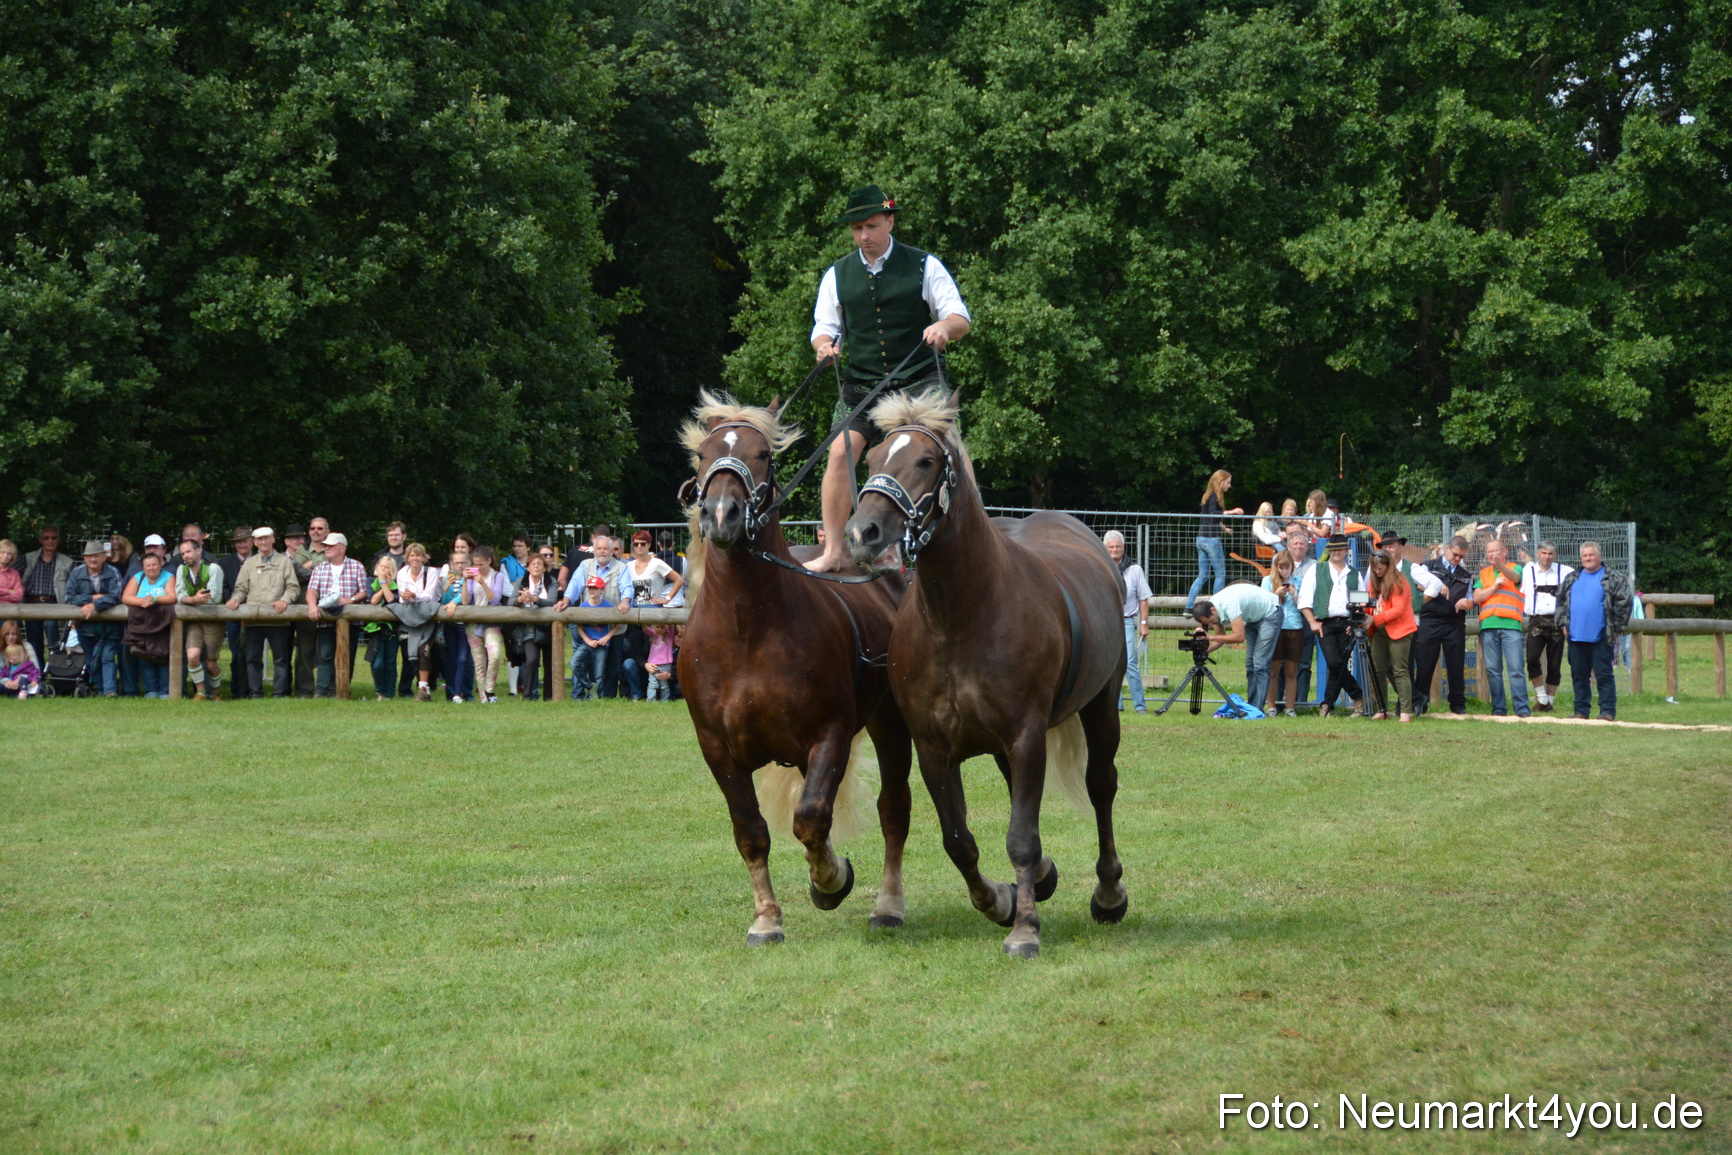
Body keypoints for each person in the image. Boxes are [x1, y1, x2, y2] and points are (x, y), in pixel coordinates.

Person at [805, 184, 972, 572]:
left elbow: (959, 317)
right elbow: (822, 327)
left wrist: (945, 328)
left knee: (954, 450)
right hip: (863, 382)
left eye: (872, 226)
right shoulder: (837, 275)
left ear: (890, 222)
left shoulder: (924, 265)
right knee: (839, 451)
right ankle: (833, 551)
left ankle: (968, 540)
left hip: (918, 378)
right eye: (857, 228)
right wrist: (824, 345)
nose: (864, 236)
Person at [1556, 541, 1632, 721]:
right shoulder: (1572, 578)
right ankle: (1581, 712)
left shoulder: (1613, 578)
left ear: (1600, 556)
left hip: (1601, 636)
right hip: (1575, 636)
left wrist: (1616, 628)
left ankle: (1607, 712)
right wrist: (1563, 626)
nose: (1588, 558)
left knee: (1604, 675)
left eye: (1591, 555)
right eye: (1585, 556)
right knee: (1579, 676)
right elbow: (1560, 602)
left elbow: (1624, 602)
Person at [226, 526, 299, 699]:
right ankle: (255, 692)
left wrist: (284, 600)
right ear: (255, 542)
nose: (263, 542)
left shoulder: (284, 561)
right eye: (259, 539)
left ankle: (279, 693)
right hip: (253, 619)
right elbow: (241, 588)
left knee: (281, 659)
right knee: (252, 659)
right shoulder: (249, 563)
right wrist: (235, 598)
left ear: (273, 539)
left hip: (278, 618)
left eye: (266, 538)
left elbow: (293, 587)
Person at [556, 534, 631, 698]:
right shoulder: (585, 565)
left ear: (612, 551)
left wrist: (625, 601)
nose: (602, 551)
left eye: (605, 548)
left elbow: (627, 588)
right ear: (594, 550)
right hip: (590, 628)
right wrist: (566, 601)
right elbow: (574, 585)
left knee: (612, 664)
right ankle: (589, 694)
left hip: (614, 627)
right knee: (587, 663)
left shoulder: (621, 567)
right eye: (599, 548)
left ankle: (608, 697)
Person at [1299, 533, 1364, 718]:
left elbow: (1360, 601)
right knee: (1335, 662)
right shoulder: (1316, 569)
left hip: (1346, 624)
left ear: (1346, 550)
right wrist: (1312, 621)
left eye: (1340, 549)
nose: (1336, 552)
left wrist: (1355, 621)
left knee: (1339, 665)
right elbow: (1304, 598)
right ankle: (1358, 695)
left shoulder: (1354, 574)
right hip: (1324, 623)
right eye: (1333, 549)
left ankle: (1327, 705)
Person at [1190, 582, 1281, 711]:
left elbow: (1239, 637)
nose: (1212, 624)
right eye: (1208, 624)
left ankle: (1256, 710)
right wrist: (1203, 650)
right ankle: (1252, 706)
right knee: (1250, 664)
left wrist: (1210, 637)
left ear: (1213, 610)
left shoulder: (1229, 604)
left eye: (1211, 621)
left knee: (1260, 663)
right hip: (1253, 618)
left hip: (1270, 612)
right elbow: (1221, 638)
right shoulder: (1212, 608)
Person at [1411, 535, 1473, 717]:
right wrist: (1435, 585)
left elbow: (1470, 598)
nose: (1458, 559)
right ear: (1447, 548)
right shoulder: (1428, 567)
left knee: (1455, 665)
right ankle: (1420, 703)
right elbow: (1416, 585)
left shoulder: (1465, 575)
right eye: (1455, 555)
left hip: (1454, 623)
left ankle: (1457, 705)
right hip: (1430, 620)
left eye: (1461, 556)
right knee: (1425, 664)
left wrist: (1466, 603)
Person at [303, 532, 367, 697]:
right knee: (325, 654)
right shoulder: (320, 567)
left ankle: (342, 689)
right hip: (325, 618)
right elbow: (311, 591)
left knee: (348, 655)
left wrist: (350, 600)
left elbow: (363, 592)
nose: (326, 548)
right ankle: (322, 690)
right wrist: (312, 606)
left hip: (350, 620)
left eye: (331, 545)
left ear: (342, 548)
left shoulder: (356, 566)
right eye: (326, 545)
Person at [1472, 539, 1529, 717]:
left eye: (1495, 551)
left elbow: (1515, 578)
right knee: (1493, 671)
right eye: (1489, 552)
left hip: (1511, 625)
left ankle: (1522, 709)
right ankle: (1498, 709)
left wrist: (1501, 569)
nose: (1492, 555)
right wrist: (1495, 586)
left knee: (1516, 669)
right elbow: (1477, 597)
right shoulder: (1483, 573)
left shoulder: (1515, 567)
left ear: (1504, 552)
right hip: (1488, 625)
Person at [1520, 540, 1573, 712]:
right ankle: (1541, 697)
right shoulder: (1528, 570)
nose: (1547, 557)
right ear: (1538, 554)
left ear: (1555, 555)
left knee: (1555, 662)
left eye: (1550, 554)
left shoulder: (1564, 571)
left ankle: (1549, 701)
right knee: (1532, 658)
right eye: (1543, 553)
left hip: (1557, 620)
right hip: (1536, 619)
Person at [1365, 550, 1417, 722]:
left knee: (1399, 670)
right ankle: (1382, 709)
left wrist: (1375, 618)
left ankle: (1405, 712)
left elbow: (1399, 609)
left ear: (1388, 566)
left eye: (1380, 568)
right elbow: (1371, 605)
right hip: (1379, 630)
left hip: (1399, 630)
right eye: (1375, 568)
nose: (1378, 571)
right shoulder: (1373, 582)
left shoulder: (1399, 580)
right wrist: (1363, 615)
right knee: (1377, 670)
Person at [1102, 530, 1151, 713]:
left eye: (1118, 547)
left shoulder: (1135, 569)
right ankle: (1116, 705)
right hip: (1107, 622)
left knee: (1129, 662)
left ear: (1123, 547)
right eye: (1111, 547)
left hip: (1127, 621)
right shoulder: (1101, 567)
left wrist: (1144, 623)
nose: (1115, 550)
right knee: (1111, 665)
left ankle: (1140, 706)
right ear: (1105, 548)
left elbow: (1143, 598)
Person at [175, 537, 226, 701]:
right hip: (194, 620)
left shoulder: (214, 569)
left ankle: (216, 693)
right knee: (192, 657)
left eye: (188, 551)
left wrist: (192, 599)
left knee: (211, 663)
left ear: (198, 551)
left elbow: (215, 597)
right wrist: (193, 600)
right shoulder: (181, 570)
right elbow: (179, 595)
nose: (185, 556)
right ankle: (201, 692)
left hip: (213, 620)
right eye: (183, 553)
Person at [121, 549, 177, 698]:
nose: (151, 568)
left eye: (154, 565)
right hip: (142, 626)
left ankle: (165, 691)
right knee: (144, 656)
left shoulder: (169, 577)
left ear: (160, 565)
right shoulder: (137, 577)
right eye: (148, 566)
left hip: (163, 626)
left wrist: (154, 599)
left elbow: (172, 597)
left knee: (163, 656)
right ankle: (150, 691)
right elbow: (126, 597)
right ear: (143, 567)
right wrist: (142, 601)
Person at [1186, 470, 1243, 612]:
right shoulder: (1214, 497)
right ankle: (1216, 606)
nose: (1229, 486)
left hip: (1201, 538)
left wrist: (1224, 529)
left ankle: (1188, 607)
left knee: (1203, 575)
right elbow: (1213, 514)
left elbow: (1209, 518)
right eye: (1228, 482)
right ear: (1221, 481)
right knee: (1220, 574)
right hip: (1211, 540)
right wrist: (1232, 512)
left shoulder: (1207, 496)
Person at [15, 526, 74, 665]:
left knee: (53, 637)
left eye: (53, 537)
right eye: (46, 537)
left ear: (58, 540)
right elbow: (8, 572)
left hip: (55, 605)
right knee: (34, 645)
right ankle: (38, 675)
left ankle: (54, 671)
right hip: (31, 605)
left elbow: (75, 585)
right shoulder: (28, 559)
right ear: (40, 540)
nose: (50, 541)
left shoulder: (67, 562)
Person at [460, 544, 509, 704]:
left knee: (494, 655)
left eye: (480, 564)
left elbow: (494, 599)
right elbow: (466, 601)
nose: (477, 567)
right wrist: (466, 582)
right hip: (473, 622)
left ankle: (489, 690)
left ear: (489, 561)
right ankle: (483, 698)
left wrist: (482, 582)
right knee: (479, 662)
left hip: (491, 621)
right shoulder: (472, 577)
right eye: (475, 564)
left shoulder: (498, 577)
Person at [1260, 549, 1304, 717]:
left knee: (1292, 672)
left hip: (1294, 628)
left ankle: (1290, 708)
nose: (1285, 571)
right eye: (1282, 568)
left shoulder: (1298, 581)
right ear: (1276, 567)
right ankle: (1271, 706)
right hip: (1273, 628)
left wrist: (1294, 594)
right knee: (1273, 671)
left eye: (1288, 568)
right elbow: (1262, 604)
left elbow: (1304, 605)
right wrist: (1275, 595)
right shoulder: (1267, 581)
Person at [395, 542, 441, 701]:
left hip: (428, 615)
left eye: (418, 555)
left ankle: (423, 687)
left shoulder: (431, 572)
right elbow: (402, 597)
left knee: (425, 651)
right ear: (407, 558)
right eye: (412, 555)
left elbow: (429, 595)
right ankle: (420, 688)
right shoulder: (402, 573)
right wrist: (407, 597)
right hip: (410, 615)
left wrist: (414, 595)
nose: (415, 558)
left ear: (424, 557)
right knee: (410, 652)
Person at [511, 552, 559, 700]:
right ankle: (527, 695)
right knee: (531, 659)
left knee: (550, 663)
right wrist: (520, 599)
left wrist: (535, 599)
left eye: (540, 564)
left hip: (547, 628)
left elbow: (552, 601)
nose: (536, 566)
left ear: (544, 568)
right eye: (533, 564)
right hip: (528, 628)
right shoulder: (521, 581)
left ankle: (548, 697)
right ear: (528, 568)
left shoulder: (551, 582)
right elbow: (510, 601)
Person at [437, 536, 478, 703]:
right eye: (457, 563)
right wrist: (446, 589)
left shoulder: (472, 576)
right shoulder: (449, 578)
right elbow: (445, 602)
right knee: (452, 658)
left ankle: (462, 693)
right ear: (452, 565)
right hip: (451, 624)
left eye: (463, 563)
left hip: (466, 624)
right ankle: (452, 692)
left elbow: (469, 596)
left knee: (464, 659)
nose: (460, 566)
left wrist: (455, 601)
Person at [1281, 524, 1317, 711]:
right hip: (1282, 619)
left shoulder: (1314, 566)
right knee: (1279, 663)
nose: (1299, 546)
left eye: (1302, 543)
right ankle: (1278, 703)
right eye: (1295, 543)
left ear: (1307, 546)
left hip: (1304, 619)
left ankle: (1301, 702)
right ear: (1288, 546)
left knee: (1303, 663)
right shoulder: (1278, 562)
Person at [571, 576, 622, 699]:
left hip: (602, 644)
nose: (592, 591)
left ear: (602, 591)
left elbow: (618, 624)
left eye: (595, 588)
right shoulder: (583, 606)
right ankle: (589, 686)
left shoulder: (607, 606)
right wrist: (588, 641)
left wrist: (606, 638)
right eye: (590, 588)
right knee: (574, 664)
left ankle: (597, 697)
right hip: (587, 643)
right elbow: (579, 627)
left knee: (599, 674)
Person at [218, 527, 253, 698]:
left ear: (251, 541)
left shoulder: (259, 560)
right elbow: (223, 587)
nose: (242, 544)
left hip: (255, 613)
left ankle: (253, 689)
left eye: (245, 540)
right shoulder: (225, 563)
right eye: (238, 542)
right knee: (236, 653)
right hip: (233, 614)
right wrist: (231, 601)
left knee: (252, 654)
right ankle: (237, 690)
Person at [364, 556, 401, 700]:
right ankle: (380, 691)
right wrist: (381, 583)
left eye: (387, 568)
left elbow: (391, 600)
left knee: (390, 664)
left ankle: (389, 694)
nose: (383, 569)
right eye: (381, 566)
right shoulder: (369, 582)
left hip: (392, 632)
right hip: (376, 631)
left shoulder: (396, 585)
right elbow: (373, 600)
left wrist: (385, 584)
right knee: (377, 664)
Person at [644, 623, 678, 701]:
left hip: (666, 663)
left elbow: (670, 626)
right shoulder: (653, 635)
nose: (659, 629)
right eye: (657, 627)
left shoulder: (669, 636)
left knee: (664, 685)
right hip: (653, 664)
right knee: (652, 684)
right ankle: (651, 700)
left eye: (662, 627)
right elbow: (645, 629)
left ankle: (665, 700)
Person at [0, 540, 23, 606]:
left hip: (9, 612)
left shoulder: (14, 573)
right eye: (2, 552)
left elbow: (19, 596)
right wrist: (9, 591)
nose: (5, 556)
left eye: (9, 553)